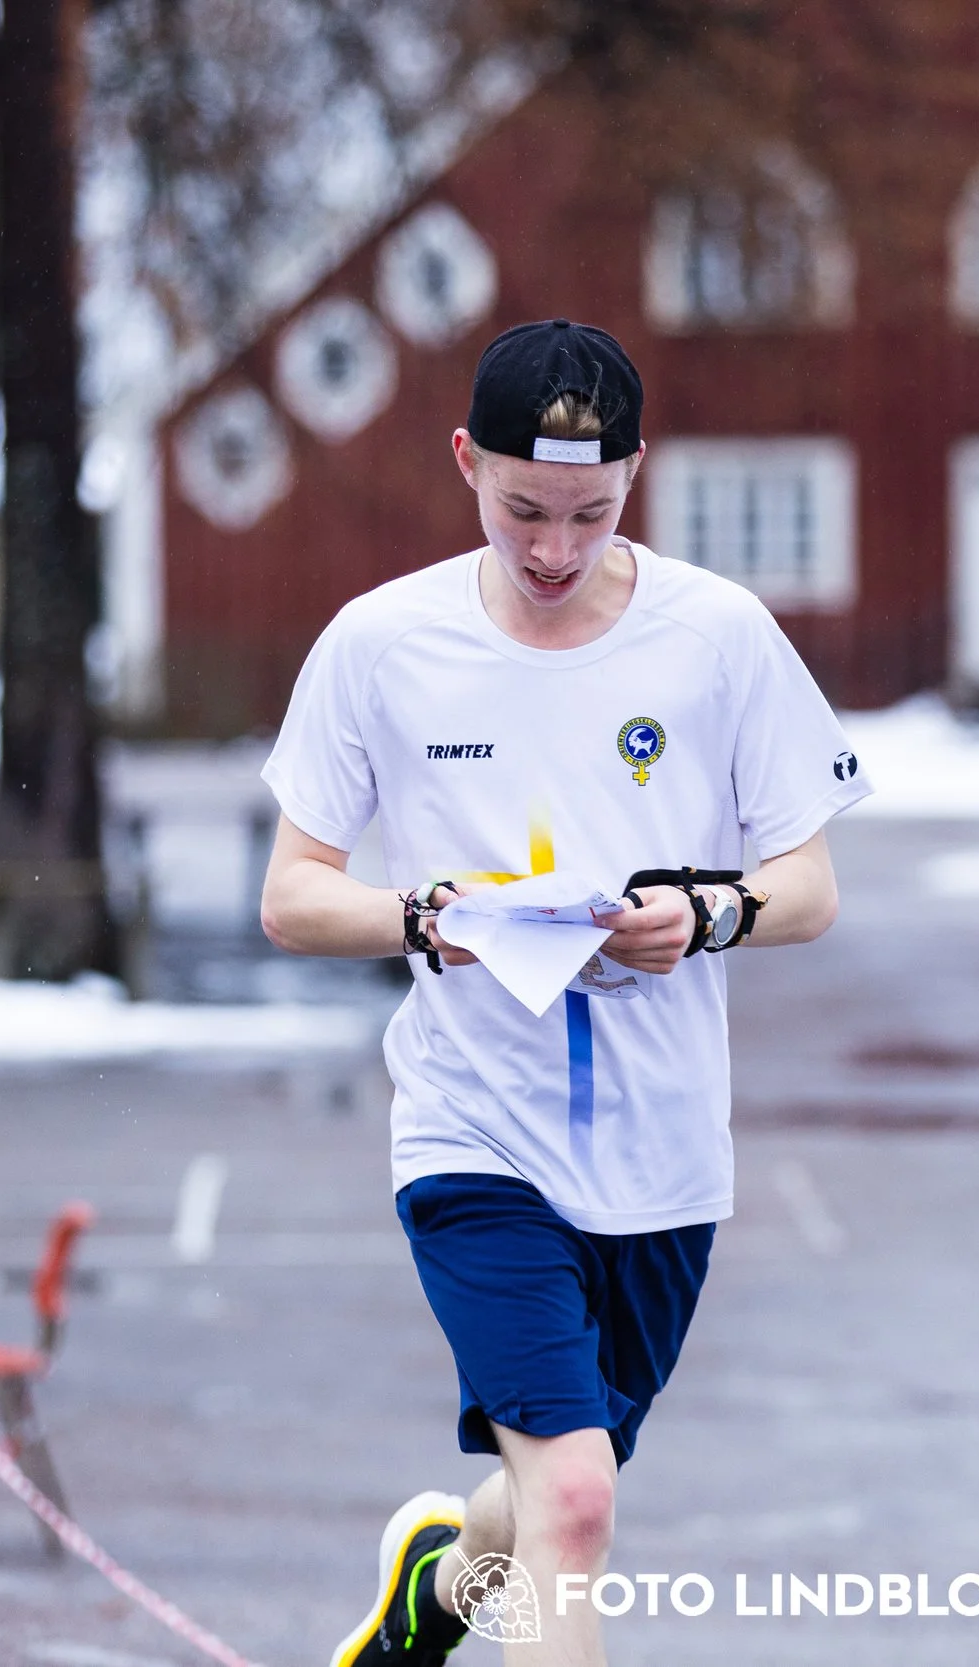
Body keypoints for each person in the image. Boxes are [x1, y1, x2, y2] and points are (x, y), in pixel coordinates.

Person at [257, 317, 871, 1666]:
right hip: (476, 1132)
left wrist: (704, 915)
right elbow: (294, 895)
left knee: (550, 1495)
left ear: (637, 476)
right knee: (580, 1500)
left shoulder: (719, 637)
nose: (550, 547)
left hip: (663, 1157)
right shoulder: (382, 643)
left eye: (588, 513)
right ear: (465, 461)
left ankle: (439, 1578)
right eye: (522, 507)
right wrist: (432, 920)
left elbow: (811, 884)